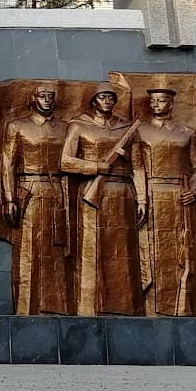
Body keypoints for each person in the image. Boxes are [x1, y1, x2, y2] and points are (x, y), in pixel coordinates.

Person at [60, 83, 143, 316]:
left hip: (122, 192)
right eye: (102, 97)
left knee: (122, 251)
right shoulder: (78, 125)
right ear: (93, 100)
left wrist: (143, 199)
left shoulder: (126, 128)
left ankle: (124, 307)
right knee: (91, 248)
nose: (107, 101)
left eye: (111, 97)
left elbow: (138, 166)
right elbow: (65, 161)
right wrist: (96, 166)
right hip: (92, 193)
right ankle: (88, 308)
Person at [0, 83, 73, 315]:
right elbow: (7, 163)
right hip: (29, 189)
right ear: (33, 99)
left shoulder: (65, 128)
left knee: (58, 250)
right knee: (29, 249)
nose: (47, 99)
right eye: (42, 95)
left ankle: (58, 307)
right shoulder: (17, 126)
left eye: (50, 96)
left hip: (58, 191)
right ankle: (25, 307)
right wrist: (9, 198)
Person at [131, 87, 196, 317]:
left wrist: (194, 189)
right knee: (153, 252)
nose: (155, 105)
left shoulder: (187, 133)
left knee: (182, 251)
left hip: (180, 196)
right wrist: (142, 199)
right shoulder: (139, 131)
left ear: (170, 104)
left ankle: (181, 307)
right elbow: (137, 167)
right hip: (153, 194)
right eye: (152, 101)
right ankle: (152, 307)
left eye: (161, 101)